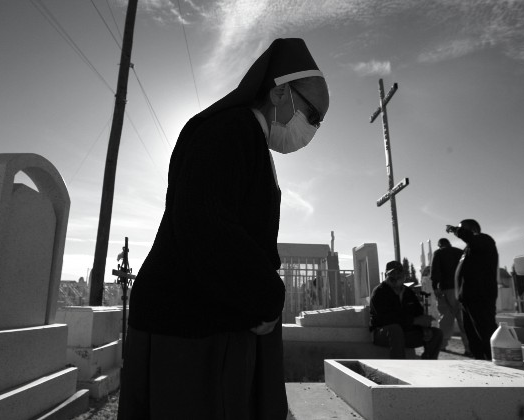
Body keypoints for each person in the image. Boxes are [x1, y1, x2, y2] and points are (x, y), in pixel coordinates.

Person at [117, 38, 329, 420]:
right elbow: (204, 224)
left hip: (208, 325)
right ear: (280, 92)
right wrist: (264, 295)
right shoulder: (229, 129)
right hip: (190, 331)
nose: (313, 128)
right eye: (313, 116)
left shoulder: (246, 136)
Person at [446, 219, 498, 360]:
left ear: (471, 229)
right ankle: (480, 360)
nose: (459, 231)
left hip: (480, 295)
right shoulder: (469, 248)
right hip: (467, 298)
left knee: (485, 330)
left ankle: (492, 358)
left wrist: (455, 230)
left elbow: (470, 238)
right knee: (472, 335)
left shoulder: (484, 240)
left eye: (462, 228)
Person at [370, 260, 443, 359]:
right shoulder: (379, 292)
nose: (396, 276)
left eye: (399, 272)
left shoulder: (409, 292)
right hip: (383, 334)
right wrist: (413, 321)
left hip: (406, 333)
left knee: (436, 333)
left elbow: (418, 313)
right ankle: (399, 369)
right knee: (395, 329)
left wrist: (425, 328)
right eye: (392, 273)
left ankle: (428, 364)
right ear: (387, 275)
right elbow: (385, 319)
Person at [430, 238, 471, 355]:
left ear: (439, 245)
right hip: (463, 289)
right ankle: (469, 347)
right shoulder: (459, 252)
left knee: (446, 319)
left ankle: (442, 345)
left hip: (447, 290)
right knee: (464, 319)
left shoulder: (439, 253)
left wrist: (435, 287)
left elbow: (435, 272)